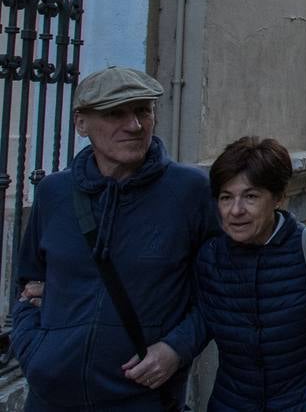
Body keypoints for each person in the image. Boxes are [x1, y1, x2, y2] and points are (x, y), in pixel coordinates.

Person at [9, 66, 218, 412]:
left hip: (143, 396)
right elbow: (28, 284)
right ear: (81, 123)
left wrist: (177, 349)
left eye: (143, 111)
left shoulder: (189, 191)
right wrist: (36, 353)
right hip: (50, 396)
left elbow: (221, 288)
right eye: (115, 113)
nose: (134, 125)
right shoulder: (53, 193)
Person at [196, 136, 306, 410]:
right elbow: (197, 323)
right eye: (226, 197)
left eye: (251, 196)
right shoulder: (211, 258)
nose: (236, 210)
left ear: (278, 197)